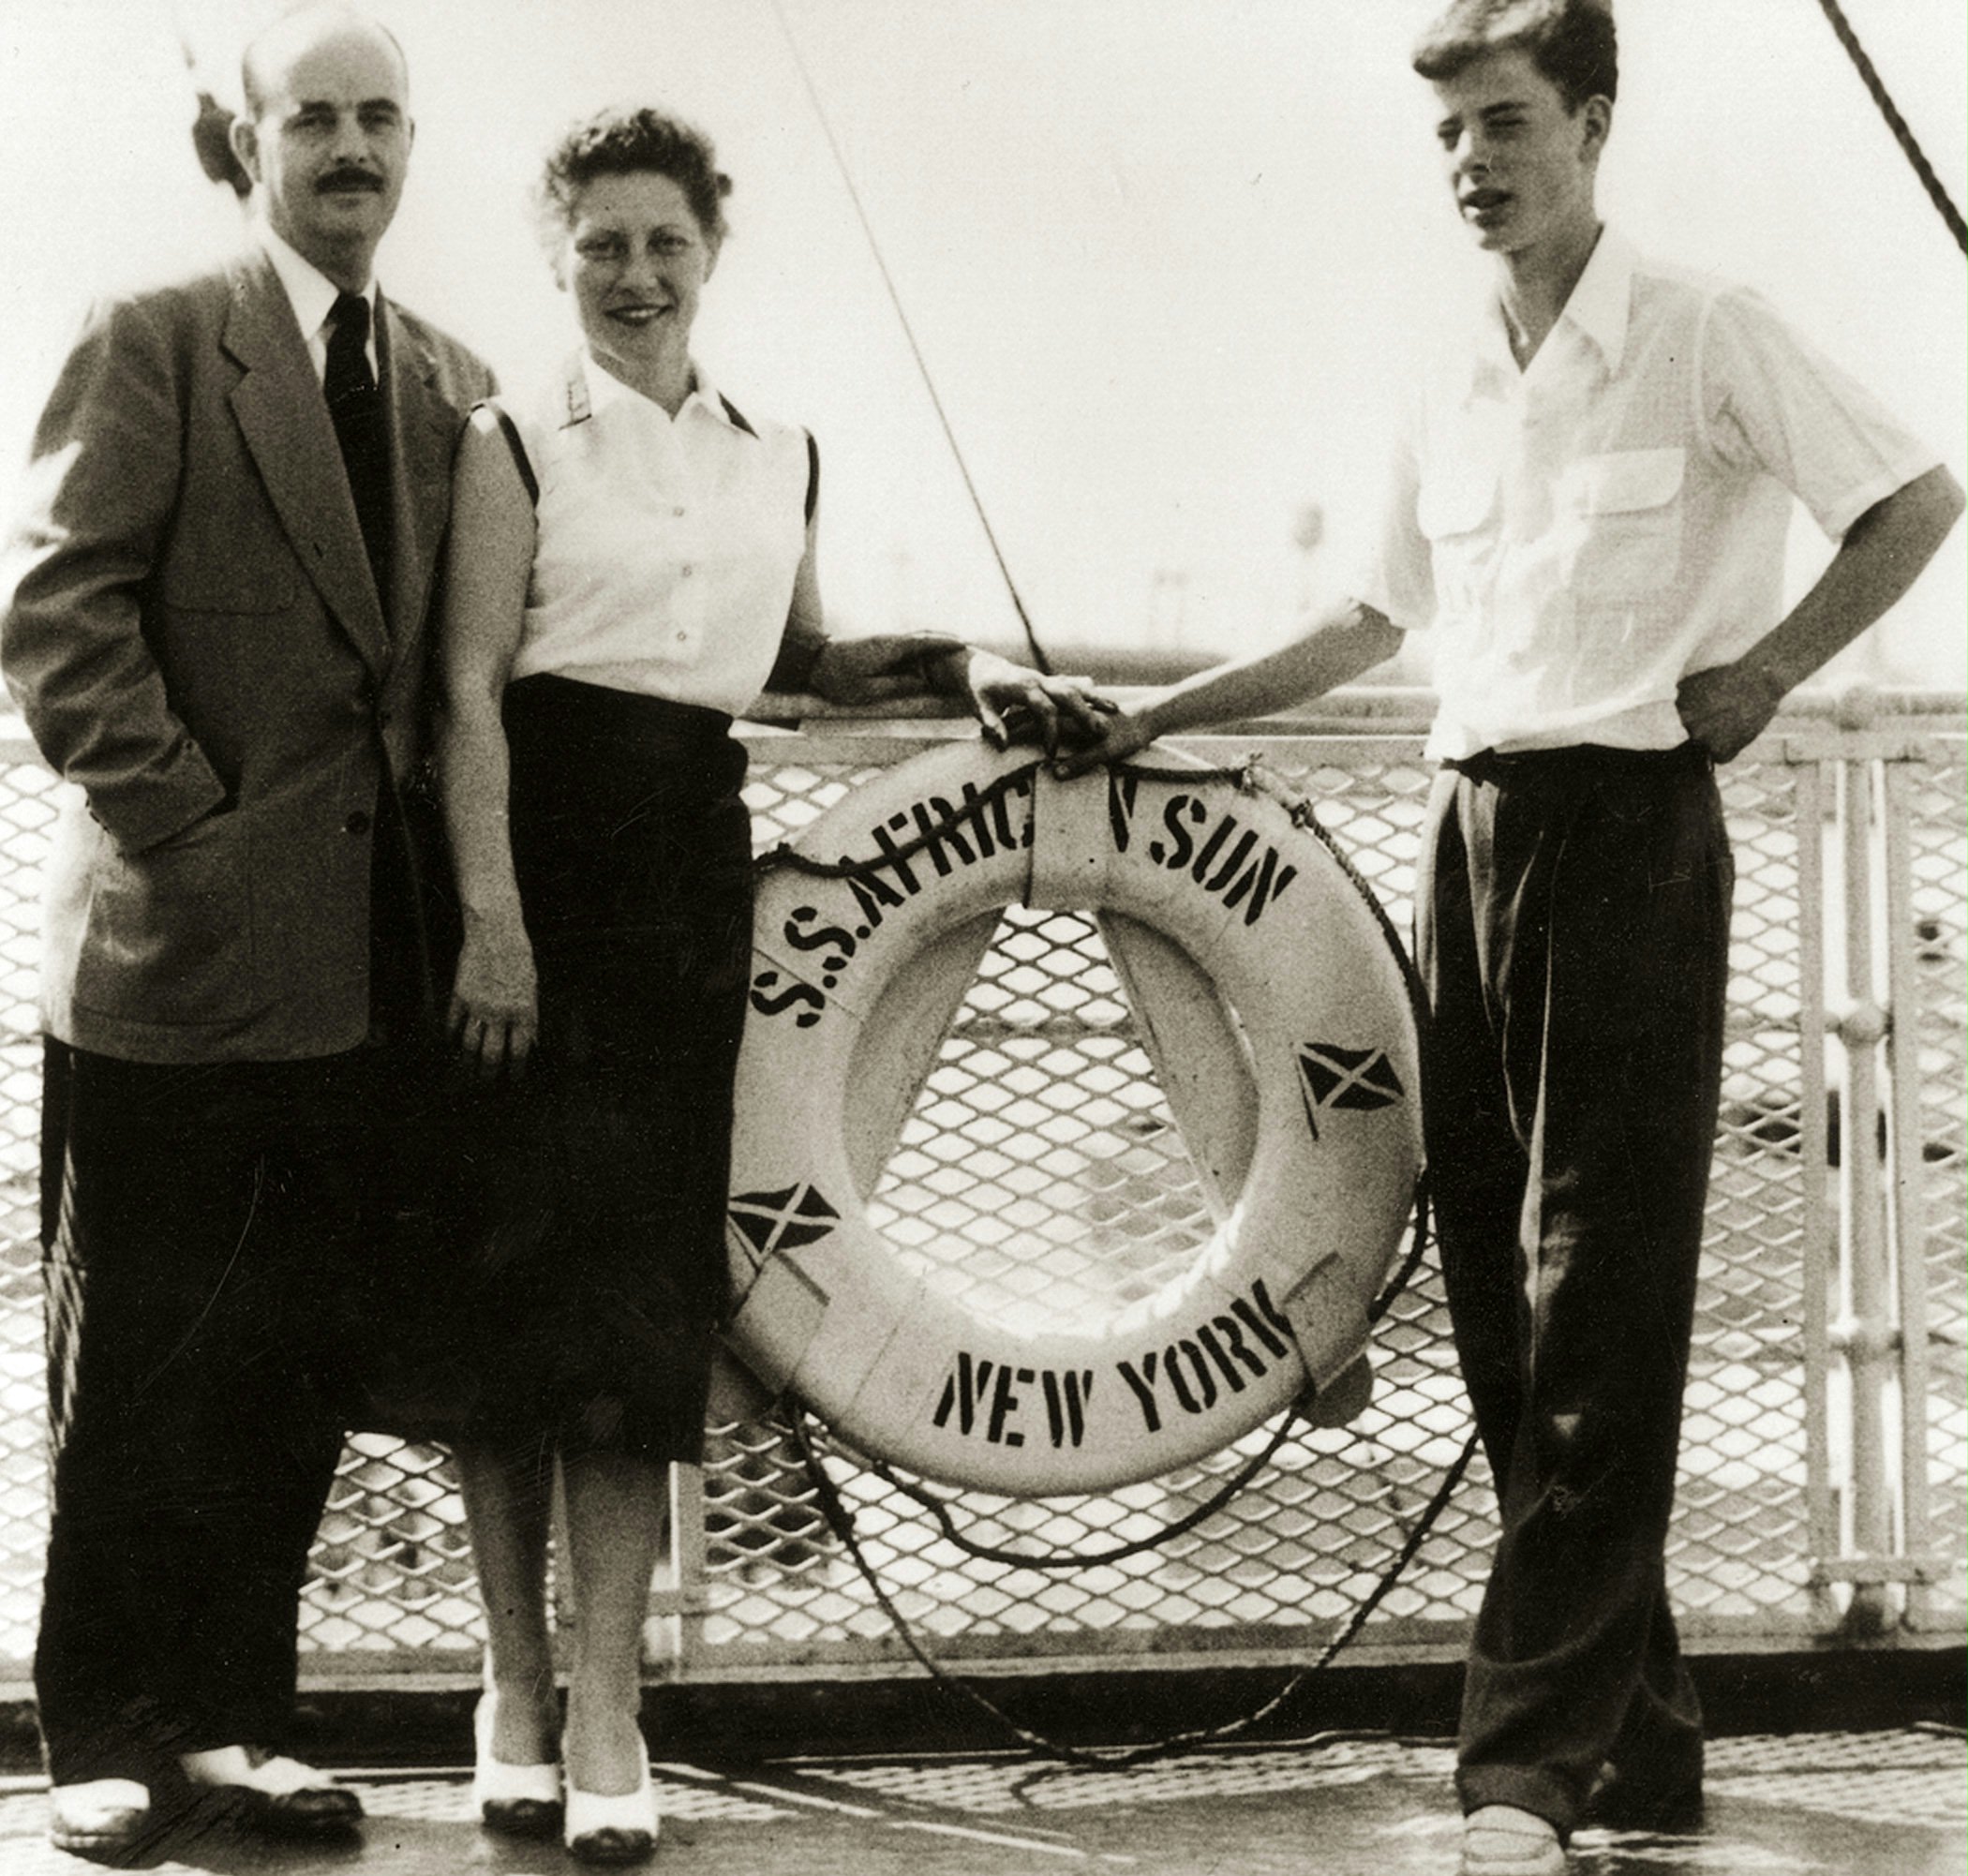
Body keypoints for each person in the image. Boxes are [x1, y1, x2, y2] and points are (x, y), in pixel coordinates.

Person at [1055, 4, 1961, 1871]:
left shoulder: (1705, 327)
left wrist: (1773, 671)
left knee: (1596, 1306)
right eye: (1451, 136)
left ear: (1596, 124)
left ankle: (1519, 1768)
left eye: (1506, 125)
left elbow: (1915, 493)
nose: (1473, 163)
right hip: (1470, 840)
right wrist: (1143, 720)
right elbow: (1364, 620)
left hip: (1630, 829)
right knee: (1494, 1296)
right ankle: (1642, 1725)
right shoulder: (1443, 365)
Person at [436, 105, 1108, 1865]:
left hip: (676, 891)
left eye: (664, 243)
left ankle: (608, 1708)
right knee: (509, 1299)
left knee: (636, 1305)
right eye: (601, 246)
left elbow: (800, 667)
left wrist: (972, 666)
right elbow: (465, 702)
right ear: (558, 257)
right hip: (531, 887)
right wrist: (489, 926)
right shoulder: (511, 441)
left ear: (710, 253)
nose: (636, 276)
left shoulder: (777, 449)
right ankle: (514, 1690)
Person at [0, 4, 493, 1855]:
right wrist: (194, 834)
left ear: (410, 145)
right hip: (177, 959)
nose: (353, 150)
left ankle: (241, 1720)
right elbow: (61, 611)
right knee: (138, 1358)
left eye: (383, 120)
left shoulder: (449, 381)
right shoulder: (153, 342)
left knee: (295, 1359)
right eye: (321, 120)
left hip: (364, 966)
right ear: (254, 138)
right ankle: (108, 1733)